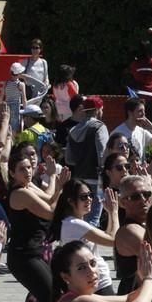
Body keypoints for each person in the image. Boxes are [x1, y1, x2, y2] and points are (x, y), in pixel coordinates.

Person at [7, 154, 68, 302]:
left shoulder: (28, 187)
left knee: (51, 296)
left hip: (33, 253)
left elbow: (48, 197)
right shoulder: (20, 193)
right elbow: (51, 211)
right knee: (51, 298)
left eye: (29, 167)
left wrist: (53, 179)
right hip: (23, 256)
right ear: (12, 173)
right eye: (22, 169)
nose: (27, 171)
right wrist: (59, 187)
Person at [50, 179, 119, 295]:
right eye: (83, 197)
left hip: (93, 281)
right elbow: (113, 240)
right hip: (97, 283)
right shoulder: (75, 224)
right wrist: (114, 212)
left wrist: (111, 214)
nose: (89, 199)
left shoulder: (72, 223)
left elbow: (108, 236)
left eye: (90, 195)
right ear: (71, 201)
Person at [65, 96, 108, 226]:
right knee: (94, 218)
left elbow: (69, 159)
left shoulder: (73, 130)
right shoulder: (99, 127)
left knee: (81, 217)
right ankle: (87, 245)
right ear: (97, 110)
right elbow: (103, 155)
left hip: (80, 179)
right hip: (96, 179)